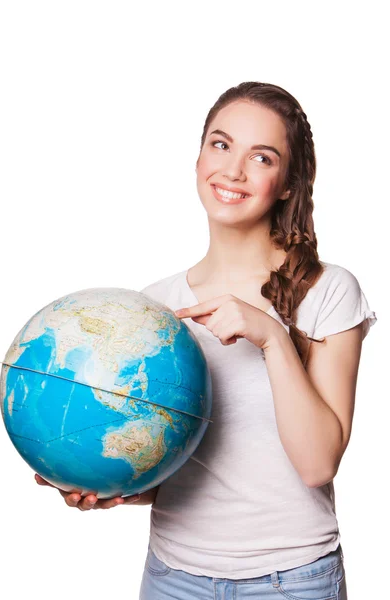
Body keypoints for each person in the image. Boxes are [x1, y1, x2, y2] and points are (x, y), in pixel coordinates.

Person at [36, 81, 377, 599]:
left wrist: (271, 337)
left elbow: (318, 464)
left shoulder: (328, 291)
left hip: (292, 581)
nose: (233, 171)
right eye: (221, 145)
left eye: (261, 157)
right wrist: (110, 484)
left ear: (287, 183)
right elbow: (173, 470)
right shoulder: (154, 309)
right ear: (199, 157)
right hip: (175, 578)